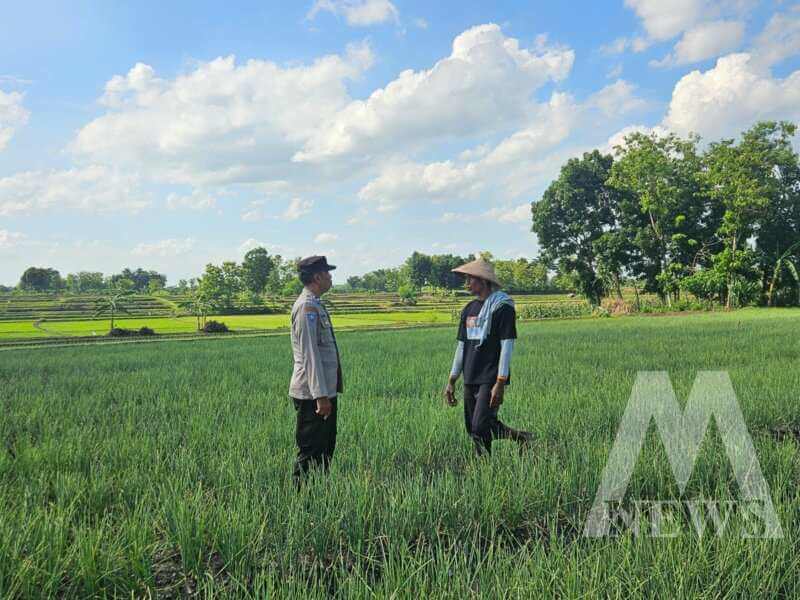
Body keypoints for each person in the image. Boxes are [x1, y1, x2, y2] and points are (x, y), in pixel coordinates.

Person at [443, 258, 533, 456]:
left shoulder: (503, 307)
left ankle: (518, 439)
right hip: (470, 374)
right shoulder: (468, 310)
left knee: (480, 425)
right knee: (473, 428)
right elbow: (461, 347)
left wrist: (500, 382)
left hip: (491, 376)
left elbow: (507, 345)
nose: (467, 284)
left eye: (470, 280)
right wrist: (452, 380)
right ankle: (491, 461)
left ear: (482, 281)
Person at [289, 255, 343, 485]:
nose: (331, 277)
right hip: (313, 396)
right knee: (311, 452)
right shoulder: (306, 308)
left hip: (323, 393)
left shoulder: (315, 304)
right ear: (318, 277)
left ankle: (319, 496)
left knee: (325, 450)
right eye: (328, 273)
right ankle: (301, 501)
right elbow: (310, 355)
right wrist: (321, 396)